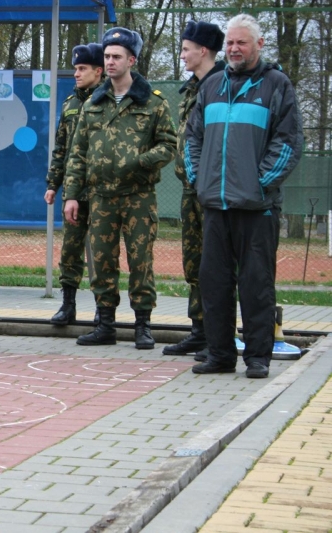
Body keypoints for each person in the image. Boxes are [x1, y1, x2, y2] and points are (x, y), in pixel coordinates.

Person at [185, 14, 303, 378]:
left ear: (259, 45)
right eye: (230, 43)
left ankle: (257, 357)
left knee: (256, 285)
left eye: (242, 43)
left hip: (257, 208)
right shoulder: (212, 85)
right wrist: (200, 180)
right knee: (214, 283)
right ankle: (220, 356)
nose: (234, 49)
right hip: (215, 206)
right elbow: (192, 139)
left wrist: (258, 185)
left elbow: (289, 142)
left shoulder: (277, 85)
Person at [63, 27, 177, 349]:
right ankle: (106, 325)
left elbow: (169, 144)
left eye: (116, 57)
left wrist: (140, 162)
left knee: (140, 260)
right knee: (102, 261)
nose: (110, 62)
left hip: (138, 196)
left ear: (132, 60)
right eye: (107, 57)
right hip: (100, 197)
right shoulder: (93, 103)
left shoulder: (152, 103)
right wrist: (72, 195)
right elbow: (78, 153)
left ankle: (142, 326)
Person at [161, 20, 226, 357]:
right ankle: (199, 330)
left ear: (203, 51)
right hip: (191, 187)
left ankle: (218, 335)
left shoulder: (221, 86)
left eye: (186, 49)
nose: (182, 54)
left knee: (214, 264)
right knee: (194, 262)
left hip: (212, 190)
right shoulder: (192, 88)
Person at [45, 43, 104, 327]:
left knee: (104, 252)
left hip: (103, 189)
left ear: (98, 71)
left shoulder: (109, 100)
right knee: (70, 249)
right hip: (73, 192)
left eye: (82, 69)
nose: (76, 74)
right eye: (75, 69)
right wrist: (53, 183)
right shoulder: (70, 103)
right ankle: (68, 306)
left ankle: (103, 310)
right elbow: (61, 148)